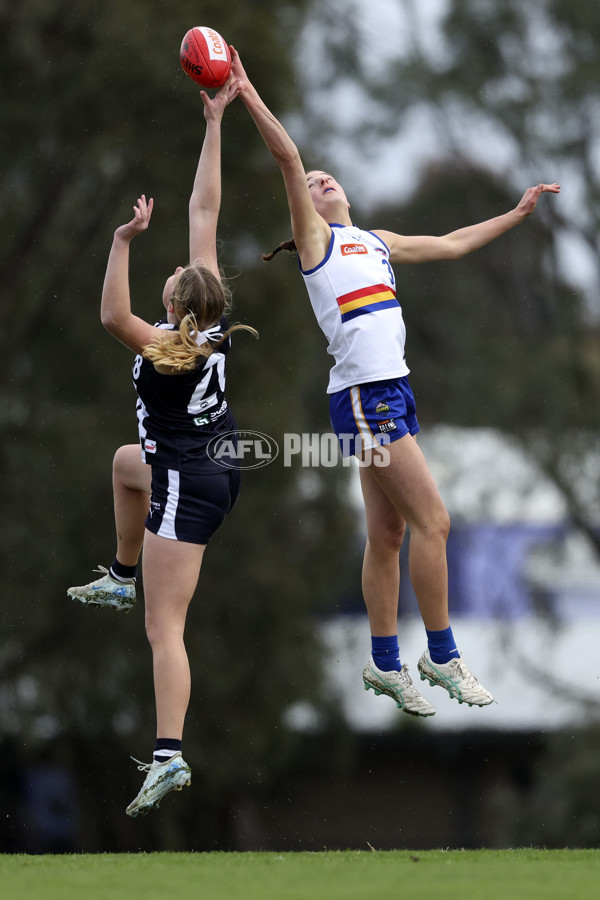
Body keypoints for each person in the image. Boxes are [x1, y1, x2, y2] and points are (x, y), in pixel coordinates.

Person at [230, 47, 560, 718]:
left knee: (388, 536)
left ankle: (384, 667)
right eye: (311, 183)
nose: (318, 180)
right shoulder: (316, 244)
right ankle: (440, 656)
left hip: (392, 392)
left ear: (347, 192)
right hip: (366, 394)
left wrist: (516, 213)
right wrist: (245, 89)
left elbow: (453, 244)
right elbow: (289, 160)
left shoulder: (374, 240)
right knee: (434, 521)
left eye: (327, 179)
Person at [68, 75, 257, 816]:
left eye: (176, 275)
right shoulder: (202, 326)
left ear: (176, 302)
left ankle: (170, 755)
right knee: (124, 463)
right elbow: (203, 208)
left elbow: (114, 314)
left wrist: (121, 242)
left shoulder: (162, 344)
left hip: (189, 483)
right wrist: (214, 122)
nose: (178, 267)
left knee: (164, 624)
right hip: (215, 467)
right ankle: (120, 572)